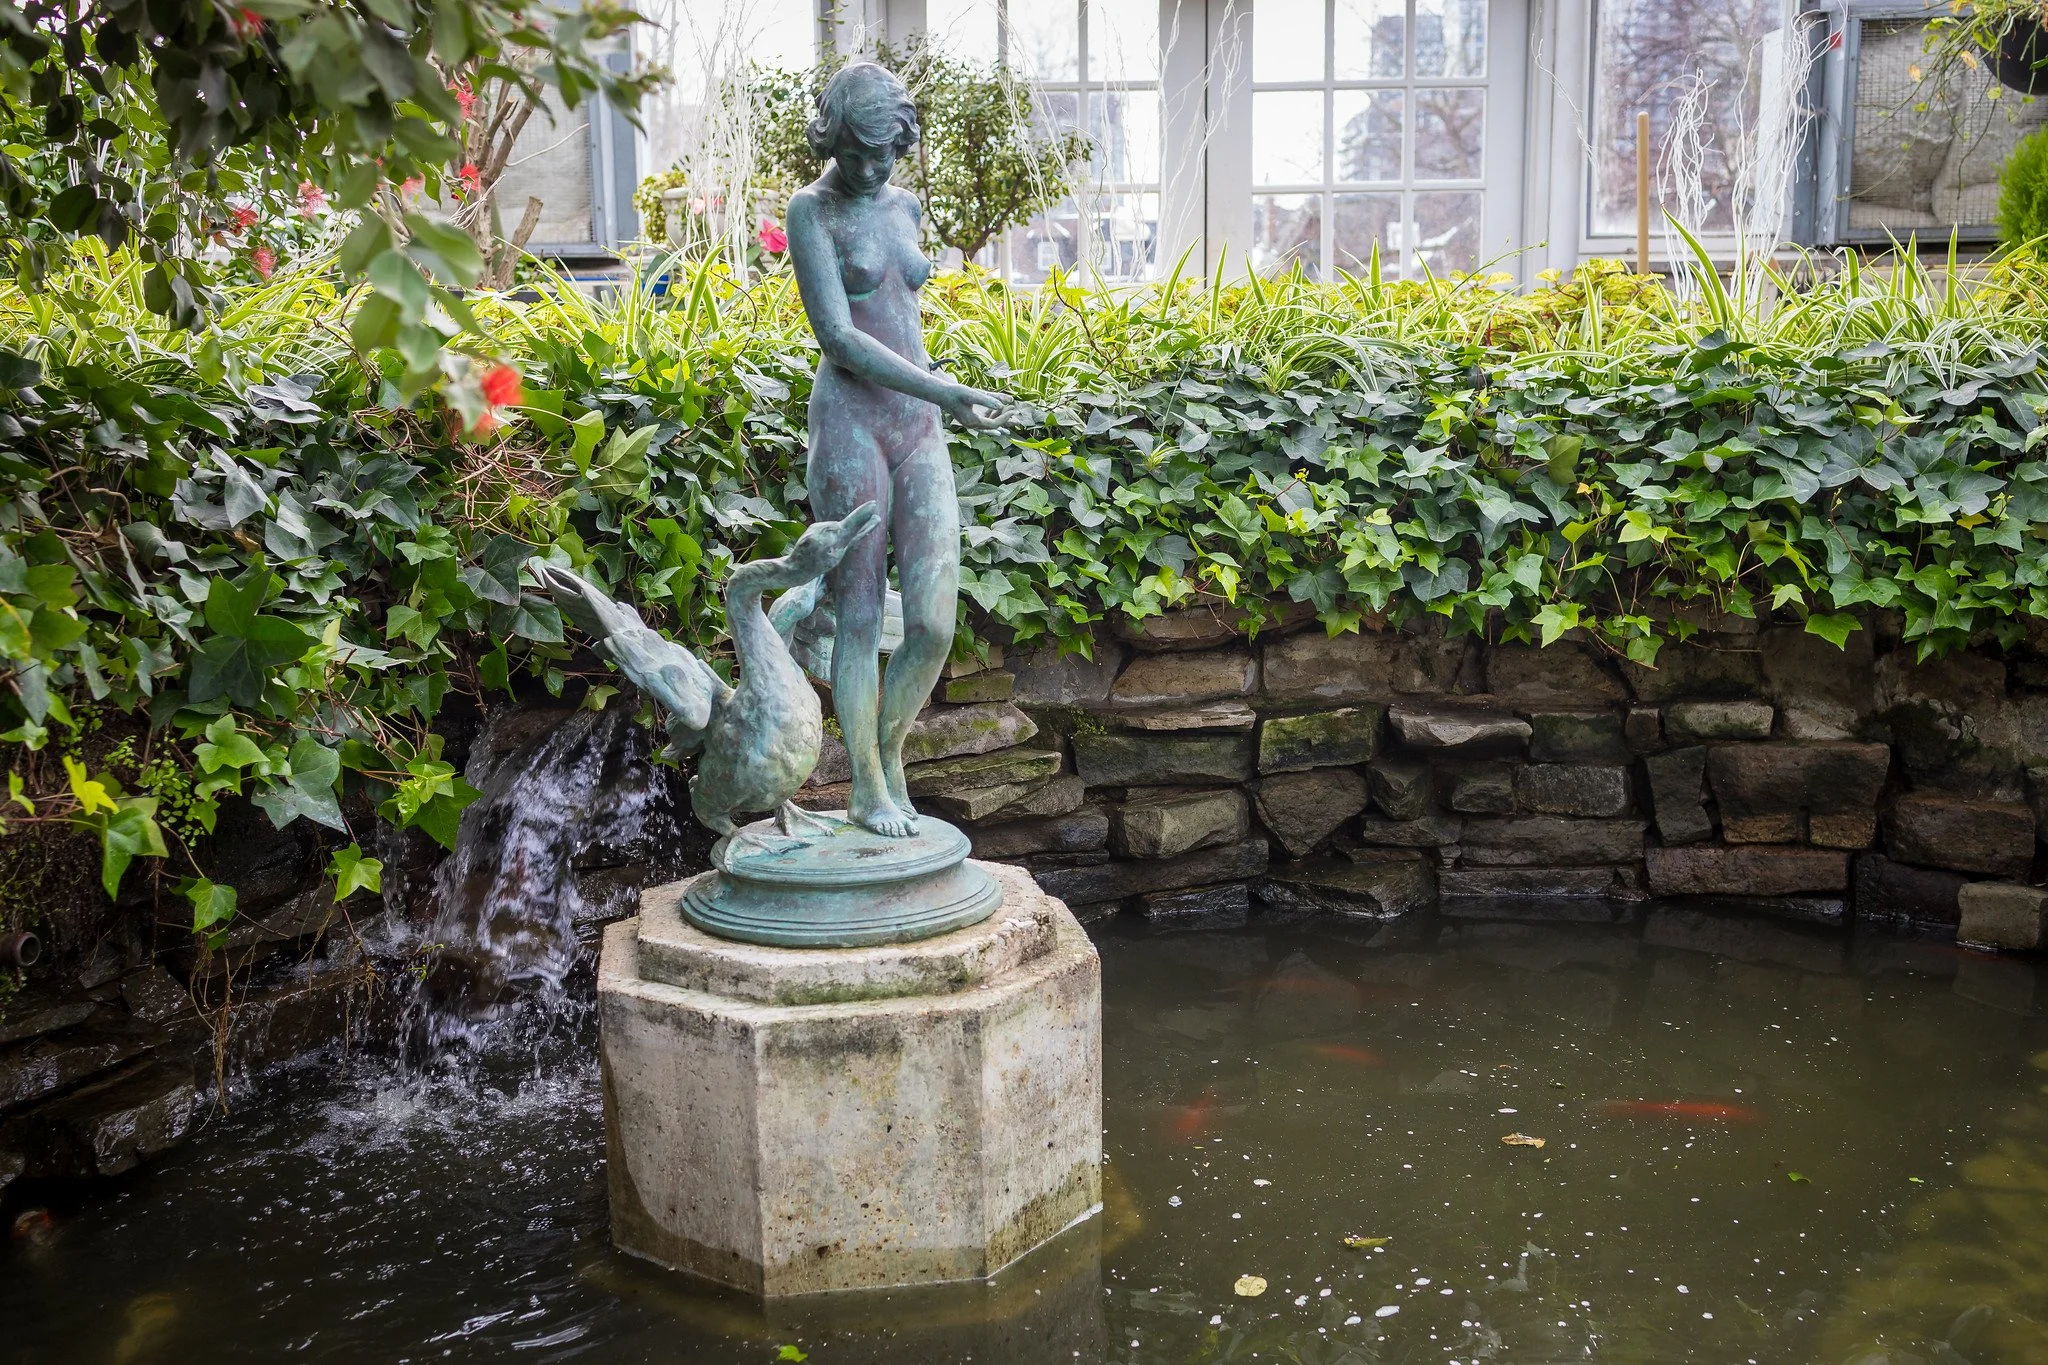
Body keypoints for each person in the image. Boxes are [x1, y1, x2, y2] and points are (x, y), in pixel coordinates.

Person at [785, 61, 1010, 838]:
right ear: (834, 141)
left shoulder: (906, 203)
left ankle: (886, 752)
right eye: (858, 154)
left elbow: (898, 310)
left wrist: (941, 392)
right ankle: (868, 787)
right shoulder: (811, 212)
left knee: (934, 623)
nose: (873, 169)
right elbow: (840, 338)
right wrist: (940, 389)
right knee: (857, 614)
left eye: (886, 154)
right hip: (851, 426)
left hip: (918, 423)